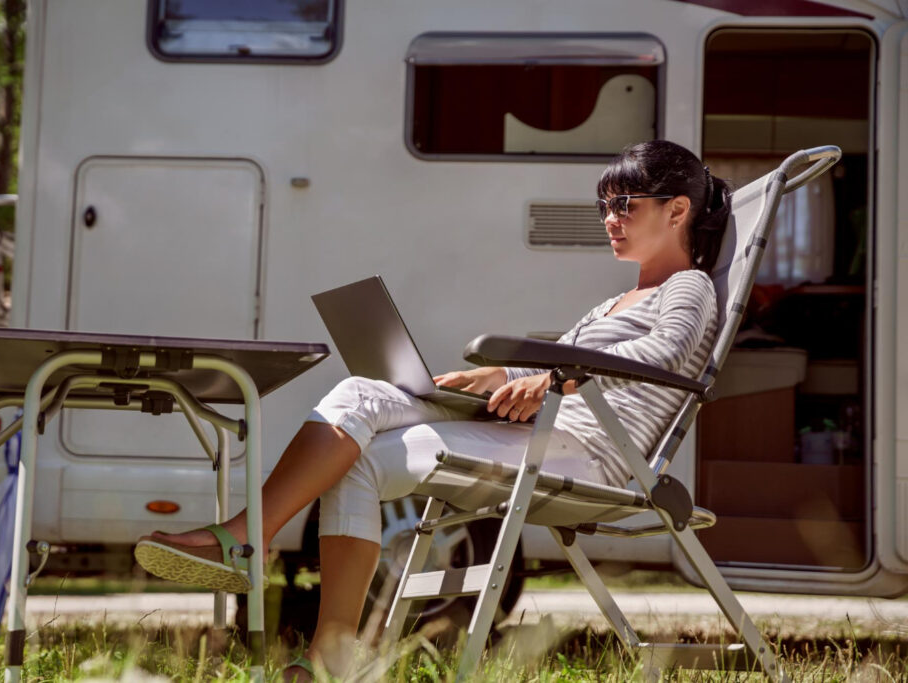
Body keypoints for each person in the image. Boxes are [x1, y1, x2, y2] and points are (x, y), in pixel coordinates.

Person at [134, 139, 731, 679]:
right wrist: (501, 376)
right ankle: (311, 628)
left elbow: (664, 353)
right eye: (604, 205)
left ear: (677, 210)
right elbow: (568, 363)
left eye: (625, 204)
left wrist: (550, 377)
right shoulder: (616, 300)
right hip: (539, 433)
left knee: (363, 454)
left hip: (587, 453)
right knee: (359, 396)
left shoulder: (689, 286)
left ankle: (261, 564)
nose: (610, 219)